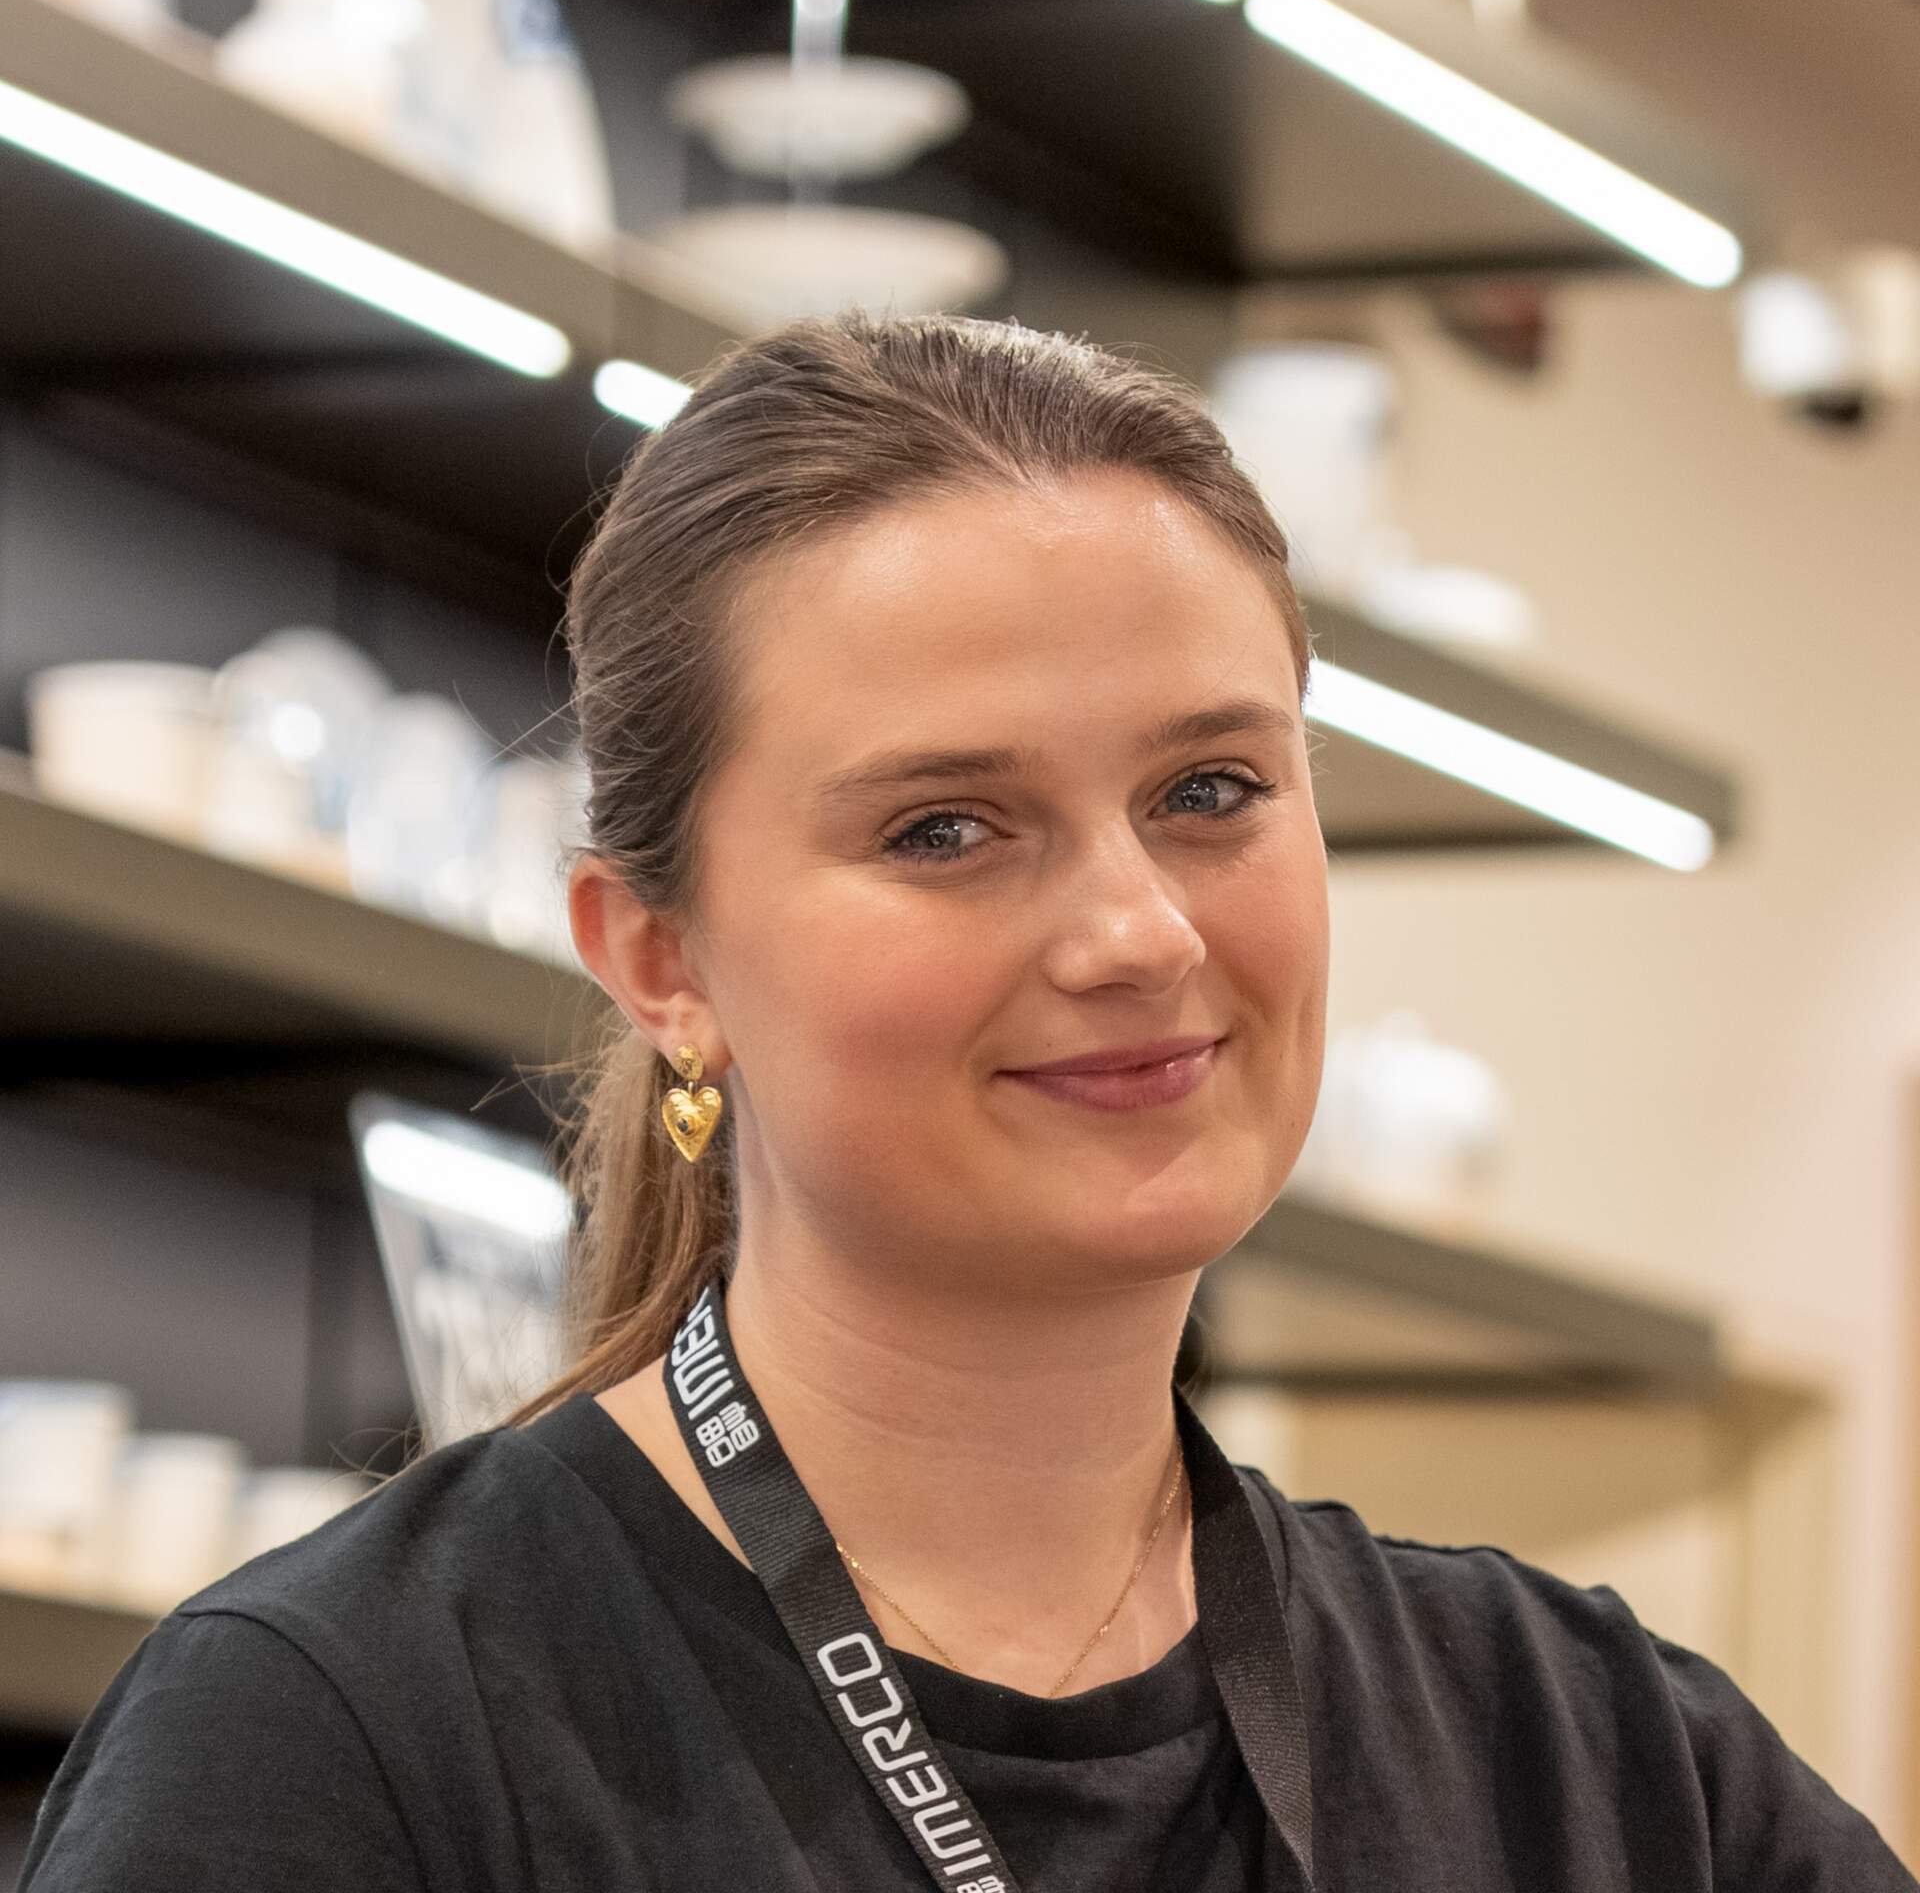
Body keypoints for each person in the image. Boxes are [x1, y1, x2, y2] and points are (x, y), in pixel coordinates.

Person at [19, 308, 1917, 1892]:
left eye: (1210, 791)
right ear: (663, 963)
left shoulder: (1589, 1754)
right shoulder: (339, 1736)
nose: (1140, 930)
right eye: (946, 827)